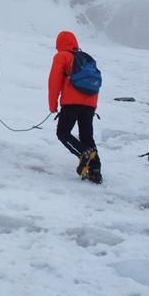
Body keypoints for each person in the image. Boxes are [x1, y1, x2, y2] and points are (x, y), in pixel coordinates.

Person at [48, 30, 102, 183]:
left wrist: (53, 105)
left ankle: (83, 153)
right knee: (86, 136)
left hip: (71, 103)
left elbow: (54, 82)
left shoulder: (62, 56)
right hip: (90, 104)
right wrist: (92, 105)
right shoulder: (86, 58)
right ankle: (95, 171)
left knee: (63, 133)